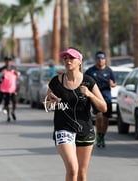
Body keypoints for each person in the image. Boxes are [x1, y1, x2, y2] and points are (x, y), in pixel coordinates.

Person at [46, 48, 107, 181]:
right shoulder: (56, 82)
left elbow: (103, 107)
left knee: (81, 174)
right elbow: (46, 104)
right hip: (63, 128)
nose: (68, 60)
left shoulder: (88, 81)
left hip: (85, 130)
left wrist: (90, 94)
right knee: (73, 168)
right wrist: (53, 102)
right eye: (65, 58)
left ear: (79, 61)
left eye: (71, 58)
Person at [85, 51, 116, 148]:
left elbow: (114, 83)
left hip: (107, 98)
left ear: (105, 60)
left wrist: (112, 84)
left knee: (106, 119)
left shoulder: (109, 71)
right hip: (96, 98)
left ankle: (102, 136)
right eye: (98, 58)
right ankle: (98, 136)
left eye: (102, 58)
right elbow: (84, 81)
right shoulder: (90, 71)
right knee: (99, 117)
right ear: (96, 60)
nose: (100, 60)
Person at [0, 56, 18, 122]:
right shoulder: (2, 69)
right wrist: (2, 73)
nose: (8, 62)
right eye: (7, 61)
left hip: (13, 89)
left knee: (15, 102)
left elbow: (18, 76)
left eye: (9, 61)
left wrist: (17, 74)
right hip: (5, 89)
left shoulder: (14, 69)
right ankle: (8, 115)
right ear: (5, 62)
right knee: (7, 103)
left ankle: (13, 112)